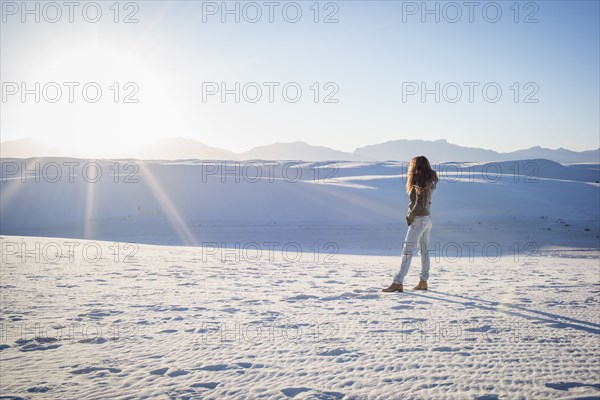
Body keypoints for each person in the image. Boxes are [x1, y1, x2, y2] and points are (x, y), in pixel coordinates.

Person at [383, 156, 438, 293]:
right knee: (424, 251)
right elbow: (425, 201)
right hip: (427, 218)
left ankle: (398, 282)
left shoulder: (418, 179)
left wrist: (410, 215)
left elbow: (419, 202)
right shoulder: (430, 179)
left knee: (407, 251)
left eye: (413, 164)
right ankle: (423, 281)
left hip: (419, 219)